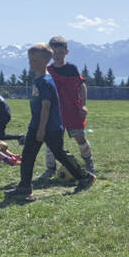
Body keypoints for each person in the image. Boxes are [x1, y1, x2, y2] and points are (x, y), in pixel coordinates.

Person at [5, 43, 95, 201]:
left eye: (34, 60)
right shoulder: (39, 79)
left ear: (45, 61)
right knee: (28, 155)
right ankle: (24, 187)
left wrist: (41, 129)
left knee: (59, 153)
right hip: (36, 124)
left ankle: (84, 177)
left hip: (49, 127)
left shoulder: (45, 81)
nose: (30, 63)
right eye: (29, 60)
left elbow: (46, 106)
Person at [38, 35, 95, 179]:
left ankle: (89, 163)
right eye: (55, 53)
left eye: (61, 53)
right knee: (52, 141)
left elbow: (82, 86)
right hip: (55, 113)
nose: (57, 56)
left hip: (73, 111)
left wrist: (83, 105)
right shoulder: (47, 71)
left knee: (80, 138)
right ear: (50, 54)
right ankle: (50, 168)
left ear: (66, 52)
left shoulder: (71, 68)